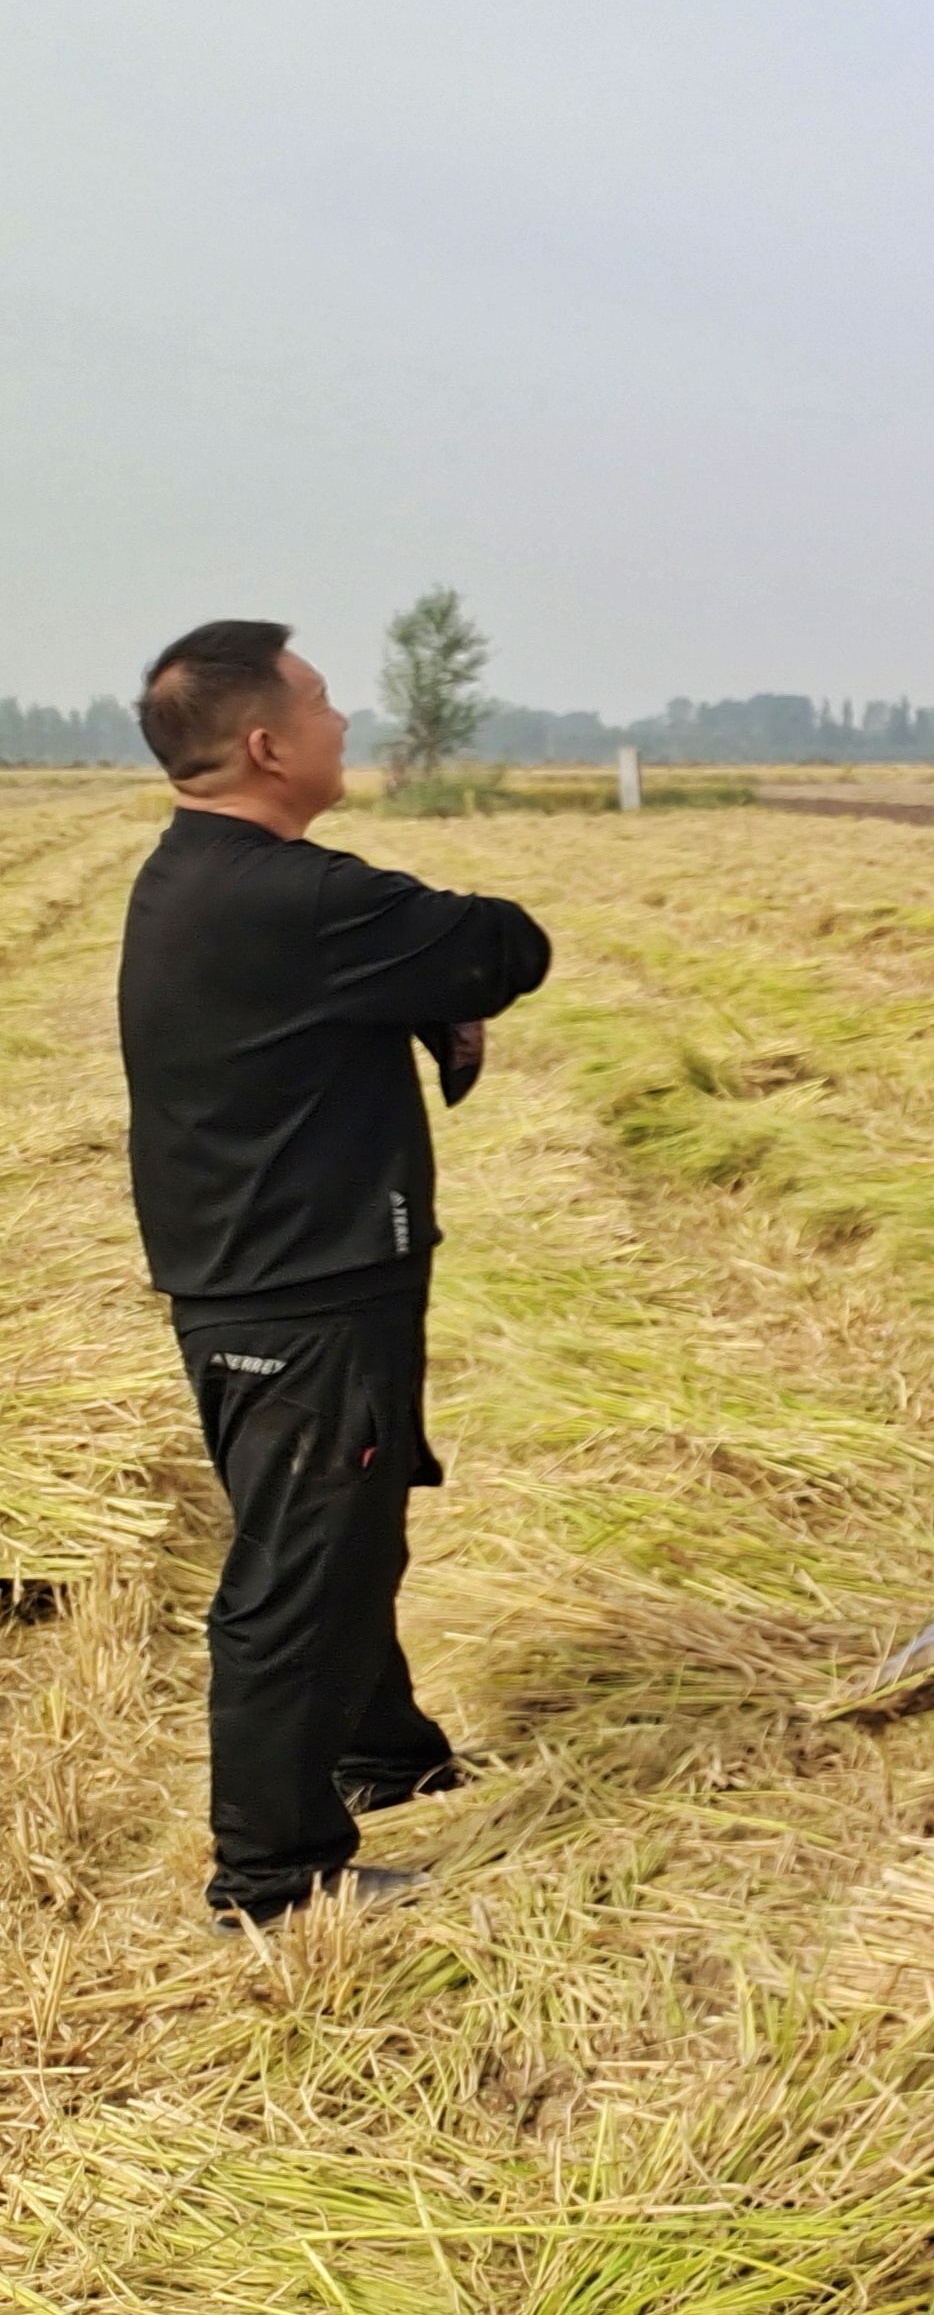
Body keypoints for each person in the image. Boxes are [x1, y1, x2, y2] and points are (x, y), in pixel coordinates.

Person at [117, 621, 551, 1930]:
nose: (342, 722)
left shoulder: (198, 877)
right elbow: (504, 944)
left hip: (270, 1281)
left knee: (349, 1536)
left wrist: (407, 995)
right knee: (297, 1573)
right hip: (297, 1299)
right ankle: (273, 1880)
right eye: (318, 702)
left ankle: (384, 1754)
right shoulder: (294, 899)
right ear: (264, 743)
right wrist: (430, 986)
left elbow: (408, 968)